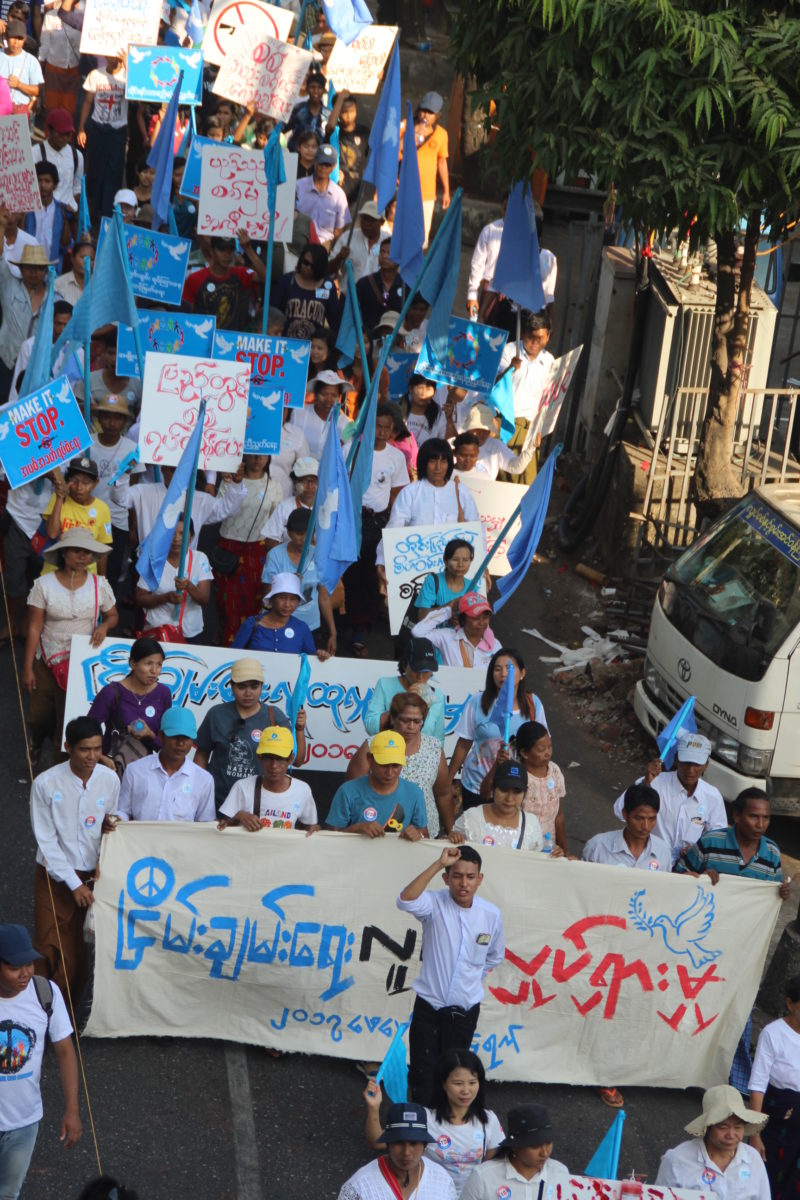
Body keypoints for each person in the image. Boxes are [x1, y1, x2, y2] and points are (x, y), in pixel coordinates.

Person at [676, 787, 790, 1094]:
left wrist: (779, 894)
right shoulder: (712, 843)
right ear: (737, 815)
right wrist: (701, 877)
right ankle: (681, 1071)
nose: (760, 823)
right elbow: (677, 877)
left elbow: (769, 898)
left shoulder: (771, 855)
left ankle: (735, 1084)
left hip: (743, 951)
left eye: (766, 817)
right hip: (702, 947)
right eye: (753, 815)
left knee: (737, 1013)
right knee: (692, 1007)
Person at [398, 846, 504, 1105]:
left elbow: (494, 956)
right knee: (423, 1073)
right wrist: (438, 863)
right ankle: (420, 1136)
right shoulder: (433, 904)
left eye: (470, 876)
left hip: (465, 1011)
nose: (463, 883)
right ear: (446, 879)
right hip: (429, 1007)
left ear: (480, 879)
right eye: (456, 876)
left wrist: (469, 980)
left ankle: (446, 1132)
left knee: (454, 1075)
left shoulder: (491, 915)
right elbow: (405, 900)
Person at [30, 715, 118, 995]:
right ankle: (36, 1011)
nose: (92, 756)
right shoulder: (45, 784)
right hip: (53, 877)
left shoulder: (110, 779)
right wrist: (74, 883)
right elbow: (46, 840)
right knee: (47, 947)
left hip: (93, 876)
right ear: (68, 747)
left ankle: (64, 1017)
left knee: (76, 954)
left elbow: (115, 820)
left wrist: (112, 825)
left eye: (97, 748)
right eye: (84, 749)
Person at [0, 924, 81, 1200]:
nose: (25, 973)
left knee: (8, 1194)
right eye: (14, 967)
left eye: (30, 963)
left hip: (24, 1123)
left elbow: (66, 1052)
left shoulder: (45, 993)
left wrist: (72, 1110)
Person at [23, 530, 117, 764]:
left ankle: (61, 768)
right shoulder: (43, 585)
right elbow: (34, 627)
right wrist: (27, 668)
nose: (83, 556)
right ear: (64, 553)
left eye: (87, 552)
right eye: (77, 551)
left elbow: (113, 615)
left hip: (81, 663)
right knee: (40, 716)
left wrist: (104, 627)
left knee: (67, 719)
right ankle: (35, 742)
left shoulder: (99, 585)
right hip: (47, 660)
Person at [364, 1051, 502, 1198]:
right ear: (443, 1083)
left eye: (472, 1083)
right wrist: (373, 1108)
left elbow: (490, 1168)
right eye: (458, 1083)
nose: (466, 1091)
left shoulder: (489, 1120)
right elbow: (377, 1143)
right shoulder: (425, 1117)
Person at [341, 402, 409, 654]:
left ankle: (361, 627)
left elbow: (397, 491)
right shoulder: (352, 449)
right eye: (377, 426)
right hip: (351, 520)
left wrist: (393, 523)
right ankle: (342, 617)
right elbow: (340, 483)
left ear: (392, 430)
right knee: (348, 570)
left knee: (371, 575)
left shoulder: (396, 456)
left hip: (378, 523)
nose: (380, 431)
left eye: (386, 428)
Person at [194, 657, 305, 811]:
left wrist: (299, 730)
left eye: (254, 686)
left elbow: (297, 760)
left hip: (259, 805)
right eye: (241, 686)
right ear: (231, 686)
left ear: (261, 687)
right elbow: (201, 755)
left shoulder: (274, 716)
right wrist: (200, 791)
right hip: (217, 802)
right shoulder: (216, 714)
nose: (248, 693)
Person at [448, 651, 545, 810]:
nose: (503, 674)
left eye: (509, 668)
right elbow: (463, 744)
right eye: (497, 669)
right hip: (476, 785)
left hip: (516, 787)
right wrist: (448, 781)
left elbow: (542, 744)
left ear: (522, 673)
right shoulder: (476, 702)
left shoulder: (533, 704)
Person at [347, 692, 454, 837]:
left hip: (422, 833)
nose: (411, 726)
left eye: (417, 721)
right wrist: (358, 827)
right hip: (375, 832)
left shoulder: (434, 748)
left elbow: (443, 793)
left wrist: (451, 830)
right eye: (405, 720)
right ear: (392, 719)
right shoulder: (372, 745)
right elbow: (352, 791)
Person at [612, 732, 727, 863]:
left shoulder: (712, 796)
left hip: (688, 866)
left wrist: (696, 850)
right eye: (686, 762)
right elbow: (620, 811)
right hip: (650, 861)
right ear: (676, 759)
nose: (690, 770)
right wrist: (645, 784)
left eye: (696, 764)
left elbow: (717, 839)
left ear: (706, 764)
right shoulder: (654, 782)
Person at [376, 440, 481, 580]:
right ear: (424, 463)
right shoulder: (410, 493)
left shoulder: (461, 491)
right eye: (433, 461)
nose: (438, 467)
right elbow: (394, 529)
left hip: (453, 572)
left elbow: (475, 529)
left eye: (443, 461)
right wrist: (382, 560)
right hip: (416, 572)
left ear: (449, 464)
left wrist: (482, 564)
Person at [213, 455, 283, 646]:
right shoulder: (231, 482)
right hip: (230, 548)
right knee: (227, 602)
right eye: (253, 455)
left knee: (256, 600)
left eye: (262, 455)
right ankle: (227, 641)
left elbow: (277, 522)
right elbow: (219, 510)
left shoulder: (275, 485)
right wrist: (231, 482)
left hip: (258, 551)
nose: (257, 459)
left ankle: (252, 643)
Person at [655, 1085, 769, 1200]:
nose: (731, 1135)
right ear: (708, 1126)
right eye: (723, 1127)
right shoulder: (677, 1160)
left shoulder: (753, 1159)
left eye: (737, 1127)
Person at [338, 1102, 455, 1200]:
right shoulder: (360, 1186)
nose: (406, 1152)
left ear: (424, 1144)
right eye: (399, 1142)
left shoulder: (442, 1180)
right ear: (388, 1143)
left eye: (413, 1143)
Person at [749, 975, 800, 1198]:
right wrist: (754, 1133)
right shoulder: (773, 1033)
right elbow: (758, 1084)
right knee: (766, 1179)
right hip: (777, 1118)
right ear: (790, 1004)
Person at [262, 508, 337, 656]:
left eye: (308, 533)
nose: (303, 539)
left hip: (312, 627)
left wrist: (333, 633)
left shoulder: (320, 556)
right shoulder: (275, 556)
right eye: (298, 533)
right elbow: (267, 597)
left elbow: (323, 597)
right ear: (288, 532)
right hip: (281, 625)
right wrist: (289, 583)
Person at [117, 708, 215, 822]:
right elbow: (123, 811)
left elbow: (205, 824)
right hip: (139, 840)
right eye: (175, 737)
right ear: (160, 735)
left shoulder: (204, 780)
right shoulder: (134, 770)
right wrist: (116, 819)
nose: (181, 744)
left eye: (186, 738)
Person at [326, 730, 429, 838]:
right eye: (383, 765)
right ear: (370, 759)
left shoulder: (414, 793)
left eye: (395, 766)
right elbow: (330, 837)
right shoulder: (348, 791)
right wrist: (356, 828)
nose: (389, 772)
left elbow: (425, 834)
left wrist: (418, 835)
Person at [217, 725, 319, 832]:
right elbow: (222, 828)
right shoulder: (242, 787)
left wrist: (315, 829)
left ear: (291, 759)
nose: (274, 765)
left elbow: (309, 828)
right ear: (260, 757)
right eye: (269, 758)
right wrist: (239, 816)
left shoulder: (302, 790)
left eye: (280, 759)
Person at [461, 1104, 570, 1200]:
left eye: (548, 1143)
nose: (544, 1153)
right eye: (535, 1146)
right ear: (515, 1147)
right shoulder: (483, 1177)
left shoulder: (560, 1172)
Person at [88, 638, 172, 758]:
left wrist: (150, 735)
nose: (154, 671)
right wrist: (101, 758)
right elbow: (87, 731)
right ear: (132, 663)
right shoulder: (111, 692)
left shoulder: (163, 693)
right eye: (148, 663)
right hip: (113, 766)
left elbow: (167, 744)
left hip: (147, 769)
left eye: (159, 664)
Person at [496, 310, 554, 484]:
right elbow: (494, 383)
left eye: (540, 338)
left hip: (531, 428)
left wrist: (542, 427)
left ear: (548, 337)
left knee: (526, 481)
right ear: (523, 334)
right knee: (501, 475)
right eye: (531, 337)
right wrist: (510, 369)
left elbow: (549, 398)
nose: (535, 343)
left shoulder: (549, 360)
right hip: (505, 422)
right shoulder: (509, 351)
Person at [135, 517, 213, 644]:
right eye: (171, 534)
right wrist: (165, 598)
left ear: (192, 536)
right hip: (158, 631)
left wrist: (188, 585)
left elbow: (204, 599)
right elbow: (140, 598)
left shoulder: (200, 559)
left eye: (182, 534)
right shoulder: (154, 561)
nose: (176, 539)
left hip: (189, 632)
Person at [90, 394, 139, 591]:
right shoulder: (87, 444)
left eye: (118, 418)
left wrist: (133, 527)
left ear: (125, 422)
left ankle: (107, 614)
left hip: (117, 522)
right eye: (107, 416)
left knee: (111, 572)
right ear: (99, 418)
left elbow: (133, 491)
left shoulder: (132, 449)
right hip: (90, 518)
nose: (112, 422)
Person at [0, 220, 49, 402]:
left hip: (36, 366)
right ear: (21, 268)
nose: (34, 272)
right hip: (6, 361)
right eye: (29, 267)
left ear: (45, 270)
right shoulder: (8, 285)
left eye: (38, 268)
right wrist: (2, 226)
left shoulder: (54, 298)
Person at [452, 760, 546, 851]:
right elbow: (449, 850)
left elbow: (539, 860)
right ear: (493, 788)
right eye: (504, 790)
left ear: (525, 793)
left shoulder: (532, 823)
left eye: (516, 792)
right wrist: (453, 838)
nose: (509, 799)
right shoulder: (471, 818)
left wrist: (554, 856)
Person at [365, 638, 447, 743]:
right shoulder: (384, 684)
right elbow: (371, 727)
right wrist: (403, 703)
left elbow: (438, 740)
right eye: (416, 669)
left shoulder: (436, 696)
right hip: (388, 752)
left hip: (421, 757)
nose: (420, 676)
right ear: (404, 665)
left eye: (426, 671)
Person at [76, 55, 127, 220]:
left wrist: (129, 64)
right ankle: (92, 210)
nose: (113, 61)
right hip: (97, 128)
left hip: (118, 131)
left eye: (116, 58)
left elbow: (138, 93)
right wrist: (81, 128)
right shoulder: (95, 74)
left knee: (114, 172)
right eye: (110, 57)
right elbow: (87, 102)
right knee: (95, 170)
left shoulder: (128, 76)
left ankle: (108, 213)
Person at [41, 457, 112, 574]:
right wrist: (60, 497)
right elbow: (52, 533)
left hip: (87, 576)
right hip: (55, 573)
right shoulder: (58, 499)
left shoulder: (102, 509)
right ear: (68, 480)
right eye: (74, 480)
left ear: (95, 484)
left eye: (86, 482)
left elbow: (102, 550)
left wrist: (101, 583)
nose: (79, 488)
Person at [182, 234, 265, 329]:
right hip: (202, 337)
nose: (227, 255)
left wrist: (248, 249)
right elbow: (187, 313)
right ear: (212, 251)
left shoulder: (240, 273)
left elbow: (264, 277)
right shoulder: (195, 278)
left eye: (230, 250)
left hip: (229, 339)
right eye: (222, 250)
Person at [399, 92, 449, 246]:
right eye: (423, 110)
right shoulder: (406, 125)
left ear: (437, 115)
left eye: (430, 113)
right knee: (399, 231)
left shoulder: (441, 134)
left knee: (421, 238)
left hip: (426, 193)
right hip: (404, 188)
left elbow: (442, 162)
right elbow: (394, 150)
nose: (425, 115)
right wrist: (411, 135)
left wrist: (446, 190)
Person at [233, 572, 323, 657]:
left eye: (293, 599)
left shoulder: (302, 628)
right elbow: (232, 655)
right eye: (282, 598)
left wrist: (320, 656)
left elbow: (311, 662)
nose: (287, 605)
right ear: (272, 599)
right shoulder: (251, 624)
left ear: (298, 602)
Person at [583, 782, 671, 870]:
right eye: (639, 818)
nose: (646, 826)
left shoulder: (663, 852)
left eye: (652, 819)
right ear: (625, 814)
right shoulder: (597, 847)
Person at [411, 592, 501, 671]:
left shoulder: (495, 644)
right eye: (475, 618)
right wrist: (448, 610)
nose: (481, 623)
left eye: (485, 618)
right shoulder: (447, 637)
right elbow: (417, 632)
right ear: (463, 619)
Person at [514, 722, 567, 853]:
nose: (548, 753)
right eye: (541, 750)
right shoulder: (517, 776)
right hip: (523, 846)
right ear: (524, 753)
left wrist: (565, 849)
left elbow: (558, 815)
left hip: (549, 846)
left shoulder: (554, 771)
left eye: (549, 747)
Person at [273, 244, 341, 341]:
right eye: (305, 262)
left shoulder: (327, 286)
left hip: (314, 349)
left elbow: (335, 321)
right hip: (286, 343)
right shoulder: (287, 281)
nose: (308, 267)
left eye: (313, 266)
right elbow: (274, 313)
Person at [295, 143, 351, 248]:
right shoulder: (298, 186)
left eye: (327, 165)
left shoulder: (339, 195)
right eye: (321, 163)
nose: (323, 168)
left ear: (334, 166)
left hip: (324, 246)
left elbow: (338, 230)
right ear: (315, 162)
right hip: (298, 242)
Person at [261, 456, 320, 550]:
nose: (309, 486)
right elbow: (270, 541)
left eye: (314, 481)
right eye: (304, 481)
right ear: (295, 482)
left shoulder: (327, 508)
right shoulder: (284, 507)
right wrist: (289, 555)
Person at [288, 374, 350, 459]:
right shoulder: (298, 414)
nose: (328, 399)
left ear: (339, 397)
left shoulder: (345, 425)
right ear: (315, 395)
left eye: (334, 395)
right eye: (324, 394)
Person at [25, 162, 72, 271]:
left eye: (47, 181)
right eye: (39, 180)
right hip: (28, 269)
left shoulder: (62, 210)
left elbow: (66, 245)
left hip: (52, 271)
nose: (43, 185)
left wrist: (67, 218)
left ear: (54, 184)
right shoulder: (27, 209)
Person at [416, 539, 476, 619]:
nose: (461, 564)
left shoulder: (473, 588)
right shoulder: (433, 581)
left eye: (465, 560)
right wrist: (449, 607)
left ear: (471, 561)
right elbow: (422, 615)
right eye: (455, 560)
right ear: (445, 560)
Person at [330, 200, 383, 285]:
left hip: (376, 297)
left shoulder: (389, 242)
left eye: (371, 220)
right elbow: (328, 270)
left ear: (382, 222)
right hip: (348, 296)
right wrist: (339, 257)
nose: (367, 223)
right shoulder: (347, 237)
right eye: (364, 219)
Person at [356, 238, 404, 330]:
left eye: (390, 253)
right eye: (382, 252)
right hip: (367, 339)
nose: (385, 256)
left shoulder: (406, 286)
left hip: (396, 338)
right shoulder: (364, 284)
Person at [333, 94, 370, 204]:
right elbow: (330, 125)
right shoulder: (334, 132)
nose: (349, 115)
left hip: (357, 191)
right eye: (344, 112)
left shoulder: (364, 132)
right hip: (336, 189)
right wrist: (339, 99)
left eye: (352, 111)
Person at [286, 66, 333, 151]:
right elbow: (283, 128)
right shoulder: (298, 110)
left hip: (319, 159)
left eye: (319, 88)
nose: (316, 91)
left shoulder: (328, 114)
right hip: (297, 157)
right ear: (307, 89)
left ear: (323, 90)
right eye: (312, 87)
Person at [0, 19, 42, 113]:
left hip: (20, 110)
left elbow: (36, 90)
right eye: (13, 38)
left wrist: (19, 84)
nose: (16, 43)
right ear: (6, 37)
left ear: (25, 39)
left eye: (20, 39)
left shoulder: (31, 61)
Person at [55, 233, 92, 305]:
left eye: (91, 259)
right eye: (83, 257)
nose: (86, 262)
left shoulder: (99, 285)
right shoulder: (58, 284)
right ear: (72, 258)